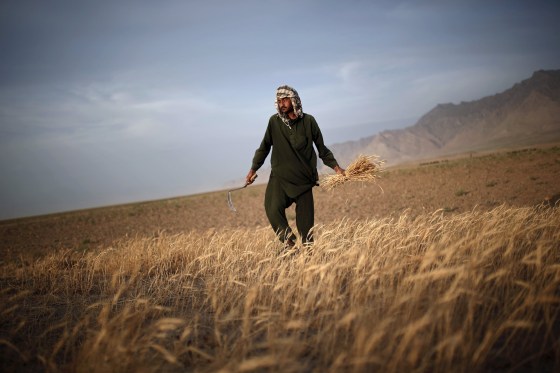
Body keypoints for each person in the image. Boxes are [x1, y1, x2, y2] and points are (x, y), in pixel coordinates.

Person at [245, 85, 345, 249]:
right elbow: (264, 147)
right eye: (278, 101)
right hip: (280, 177)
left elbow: (322, 149)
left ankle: (308, 260)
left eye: (284, 100)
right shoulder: (274, 122)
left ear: (294, 100)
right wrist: (252, 170)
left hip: (304, 180)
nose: (281, 103)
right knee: (272, 208)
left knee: (306, 229)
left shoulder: (309, 121)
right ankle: (289, 244)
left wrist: (337, 169)